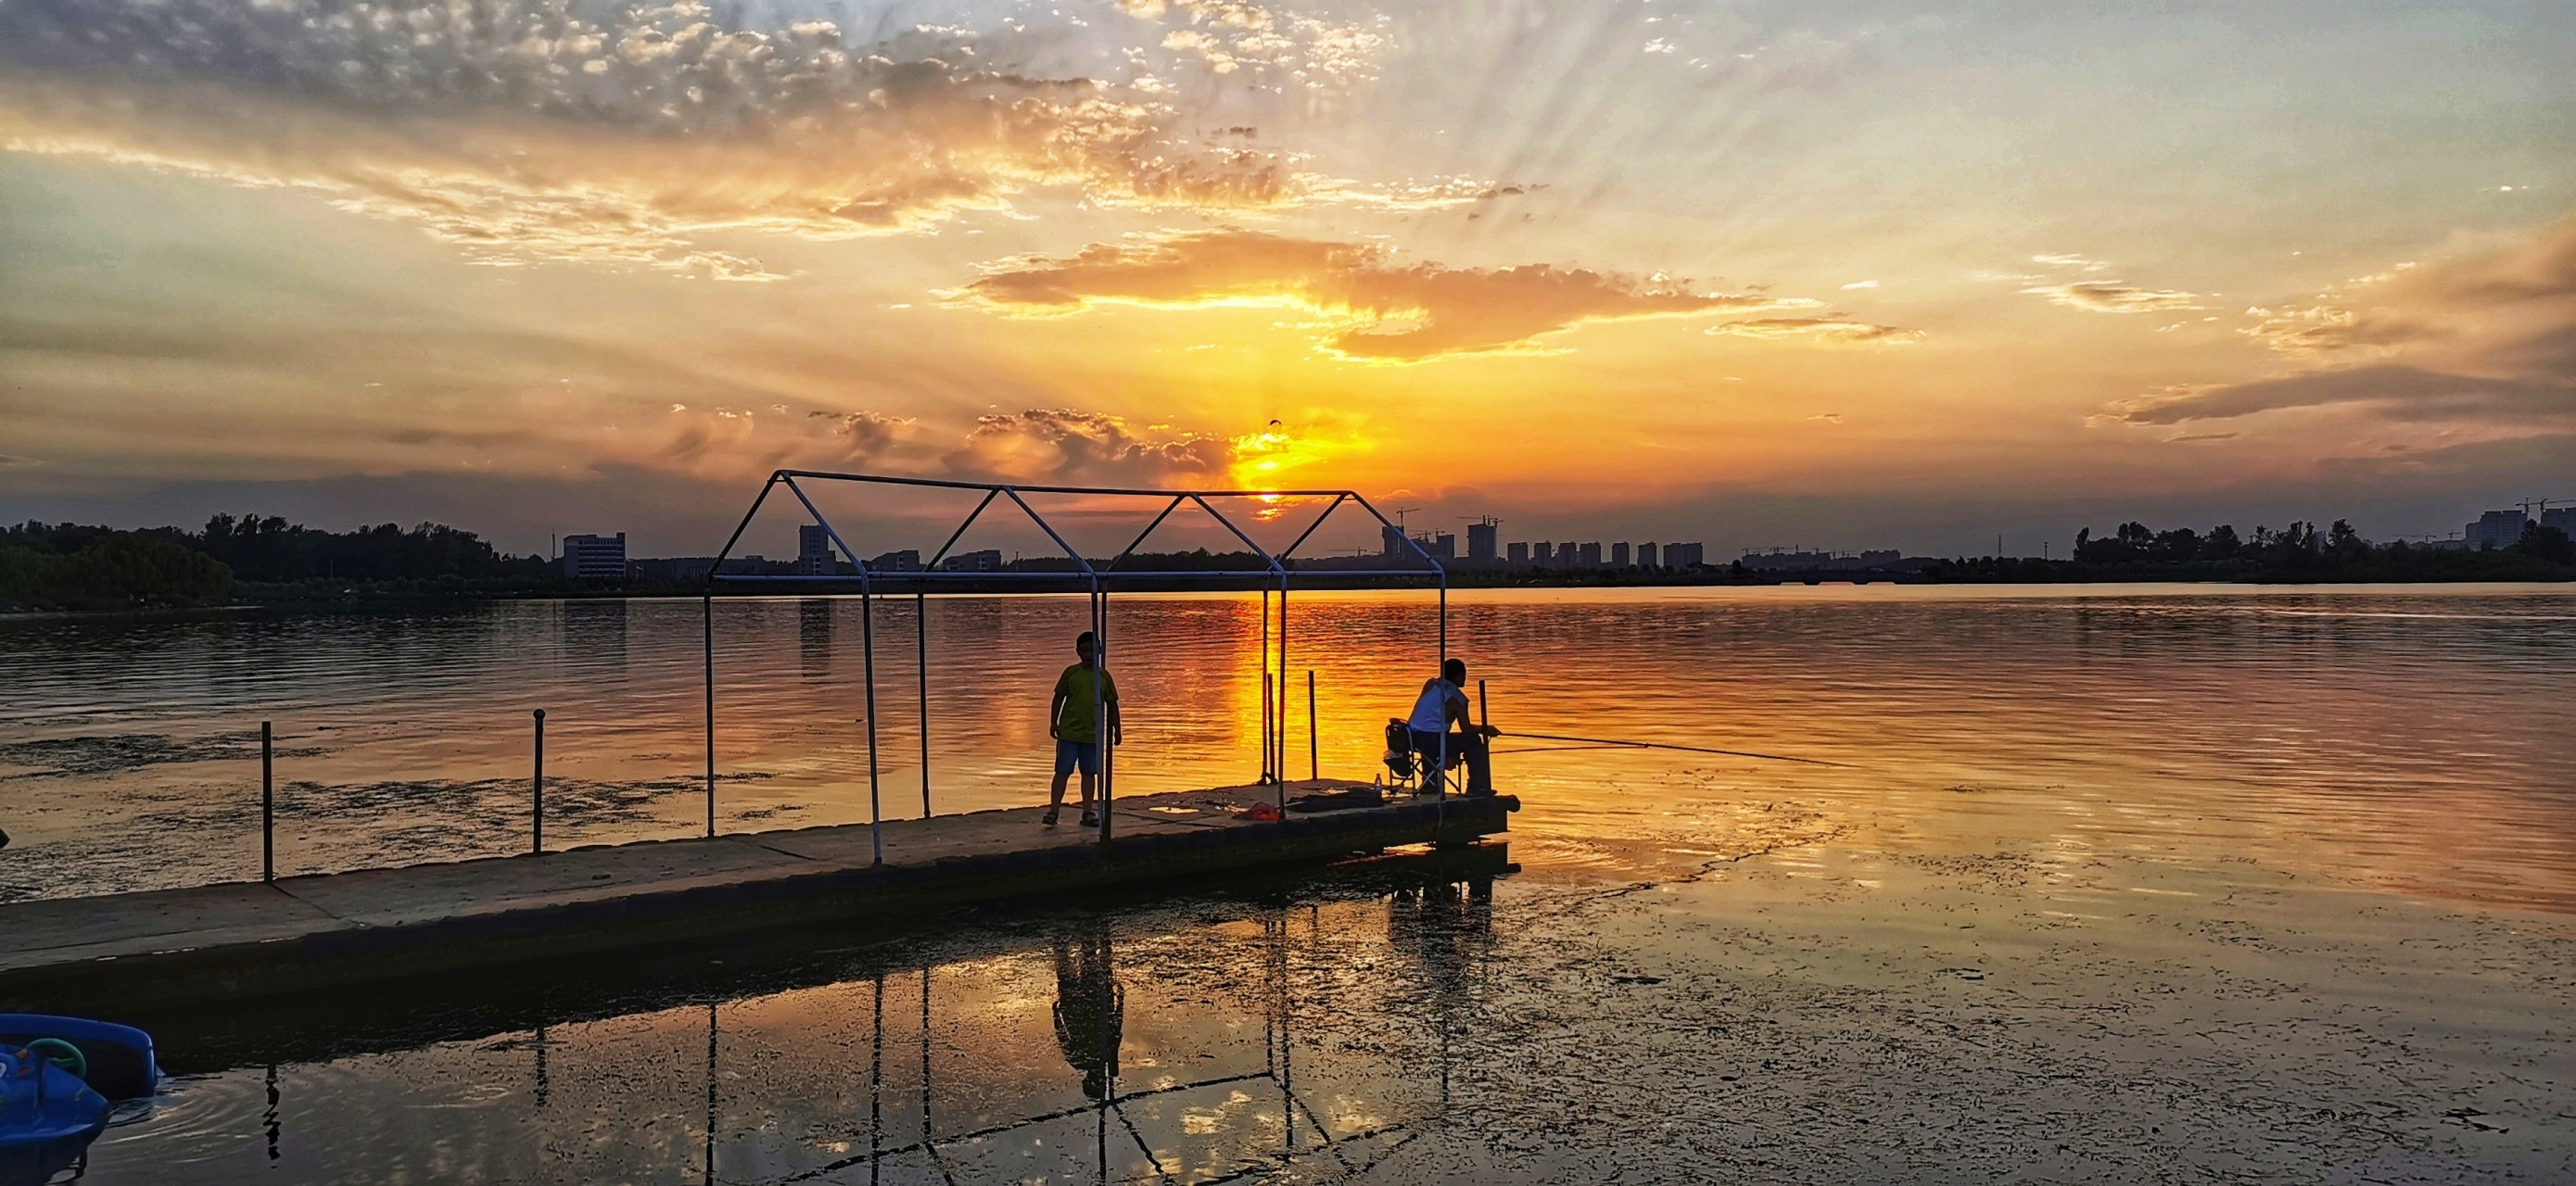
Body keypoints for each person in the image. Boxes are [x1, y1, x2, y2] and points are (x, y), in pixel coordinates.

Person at [1046, 631, 1121, 827]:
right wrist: (1054, 722)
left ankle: (1087, 812)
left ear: (1099, 651)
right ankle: (1054, 811)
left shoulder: (1103, 677)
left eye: (1093, 651)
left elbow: (1112, 704)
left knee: (1089, 773)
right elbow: (1058, 698)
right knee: (1062, 772)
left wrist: (1117, 729)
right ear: (1078, 652)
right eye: (1085, 651)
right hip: (1069, 733)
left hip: (1092, 736)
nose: (1089, 655)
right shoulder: (1071, 673)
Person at [1407, 657, 1496, 796]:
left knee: (1434, 735)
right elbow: (1466, 729)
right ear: (1459, 675)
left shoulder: (1430, 684)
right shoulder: (1458, 700)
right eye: (1464, 675)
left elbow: (1430, 719)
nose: (1465, 678)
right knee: (1473, 740)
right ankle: (1477, 787)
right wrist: (1486, 729)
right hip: (1431, 741)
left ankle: (1429, 784)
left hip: (1411, 738)